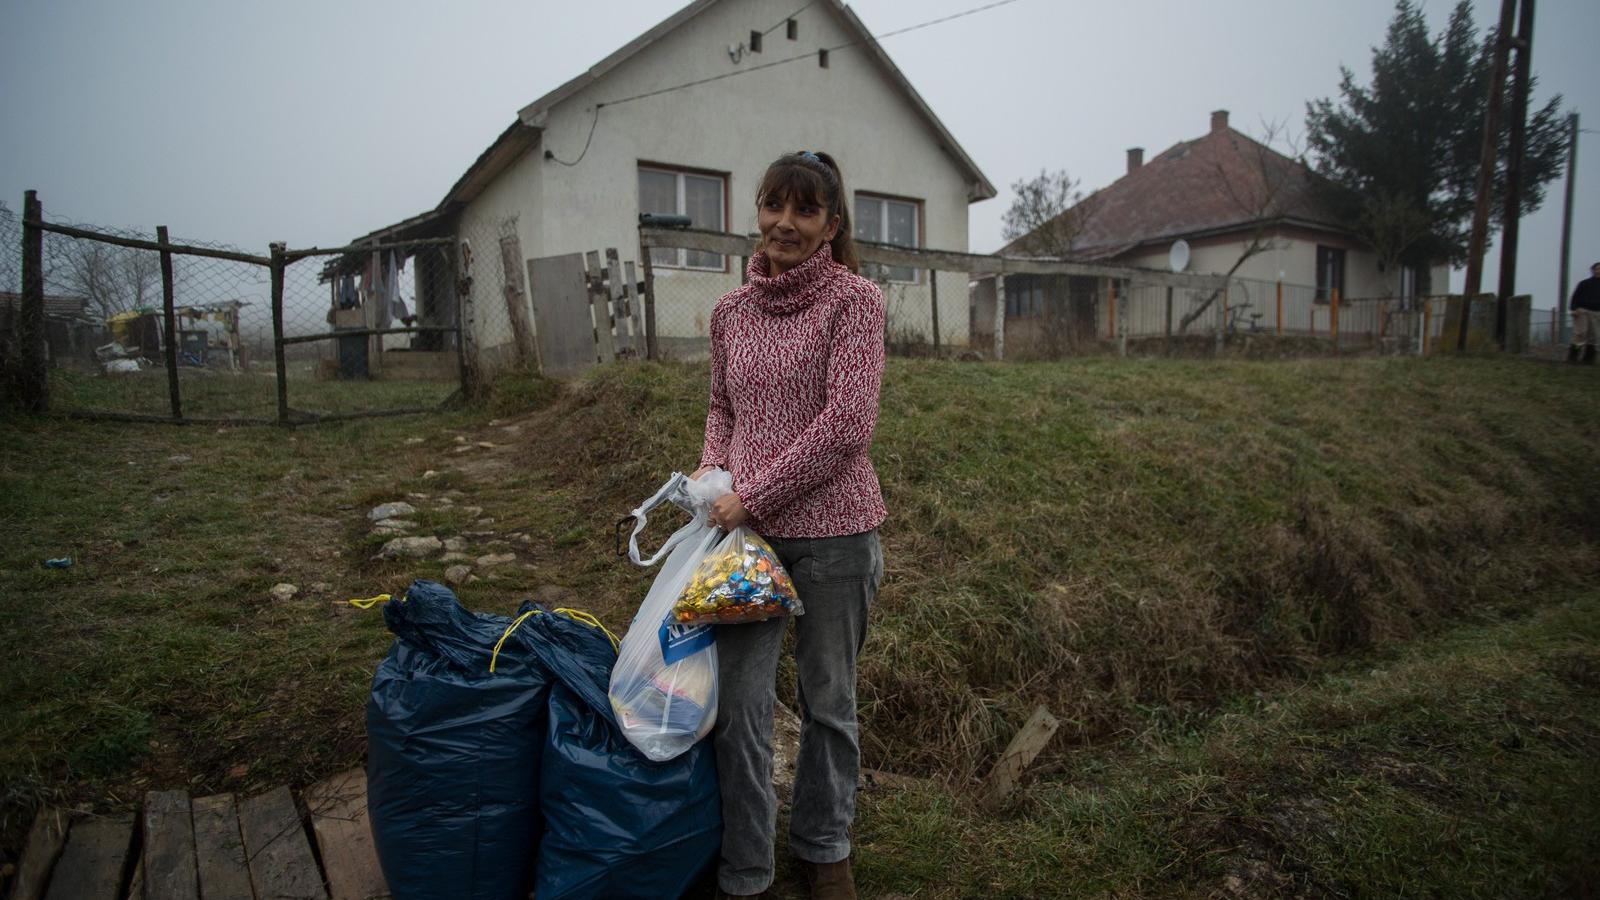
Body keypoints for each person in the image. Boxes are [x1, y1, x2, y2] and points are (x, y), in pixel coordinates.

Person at [691, 150, 887, 900]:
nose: (786, 223)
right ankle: (746, 867)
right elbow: (722, 407)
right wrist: (714, 469)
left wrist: (754, 494)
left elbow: (848, 425)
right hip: (743, 540)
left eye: (806, 211)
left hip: (837, 536)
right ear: (758, 210)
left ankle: (823, 846)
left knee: (828, 704)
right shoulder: (729, 312)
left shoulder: (856, 302)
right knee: (738, 709)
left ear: (831, 226)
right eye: (775, 205)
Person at [1570, 261, 1600, 364]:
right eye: (1597, 269)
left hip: (1597, 313)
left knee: (1594, 336)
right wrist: (1574, 309)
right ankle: (1573, 357)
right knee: (1581, 333)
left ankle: (1588, 359)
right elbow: (1575, 297)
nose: (1598, 271)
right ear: (1593, 270)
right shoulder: (1584, 283)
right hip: (1582, 311)